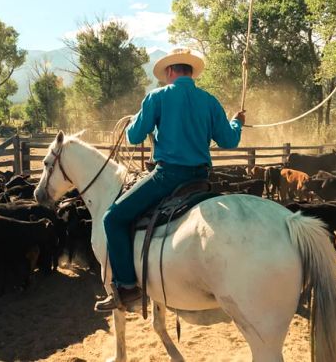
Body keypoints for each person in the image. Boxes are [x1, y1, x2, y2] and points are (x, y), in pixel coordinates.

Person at [94, 47, 245, 312]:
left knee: (112, 218)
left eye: (165, 74)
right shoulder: (209, 100)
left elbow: (134, 136)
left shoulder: (157, 97)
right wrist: (237, 122)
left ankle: (127, 286)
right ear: (190, 72)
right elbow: (229, 140)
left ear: (170, 71)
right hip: (201, 178)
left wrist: (135, 121)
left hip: (168, 177)